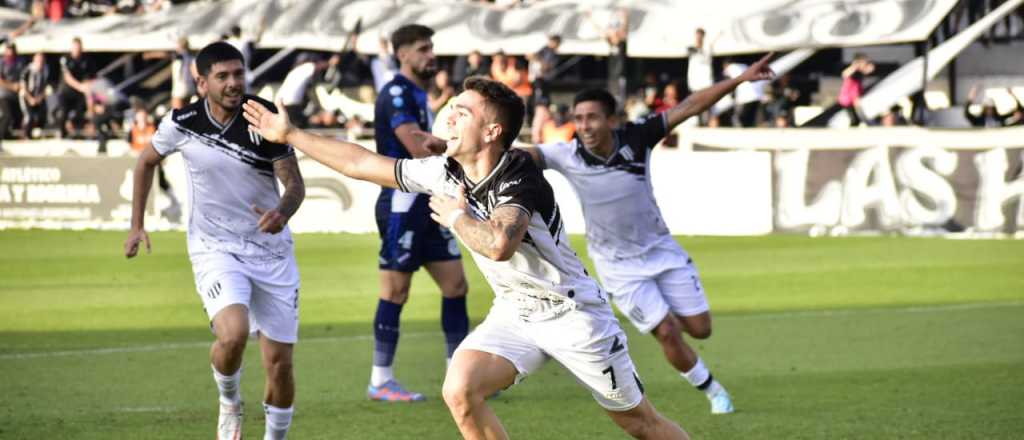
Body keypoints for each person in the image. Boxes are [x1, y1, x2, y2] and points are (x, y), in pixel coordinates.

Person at [245, 73, 692, 440]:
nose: (450, 115)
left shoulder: (521, 176)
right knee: (459, 390)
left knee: (640, 424)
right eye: (452, 106)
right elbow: (362, 164)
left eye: (464, 111)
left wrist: (458, 218)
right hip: (516, 314)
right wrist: (291, 134)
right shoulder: (445, 170)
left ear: (492, 131)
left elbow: (500, 244)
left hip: (573, 315)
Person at [518, 52, 776, 416]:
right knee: (667, 332)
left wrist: (738, 80)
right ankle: (715, 392)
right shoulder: (565, 154)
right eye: (578, 119)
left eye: (592, 117)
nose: (585, 126)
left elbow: (690, 105)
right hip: (618, 269)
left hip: (662, 252)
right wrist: (464, 151)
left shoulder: (638, 138)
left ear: (612, 119)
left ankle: (674, 320)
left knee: (700, 329)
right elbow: (521, 157)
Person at [123, 42, 305, 440]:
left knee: (279, 365)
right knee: (233, 332)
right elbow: (146, 162)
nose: (234, 83)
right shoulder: (182, 122)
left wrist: (283, 212)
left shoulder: (263, 117)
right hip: (215, 248)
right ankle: (229, 401)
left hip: (271, 252)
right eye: (222, 76)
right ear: (201, 81)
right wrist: (137, 224)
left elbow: (293, 182)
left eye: (239, 74)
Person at [366, 24, 470, 402]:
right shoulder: (396, 92)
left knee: (456, 285)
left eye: (432, 47)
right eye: (423, 49)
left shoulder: (416, 93)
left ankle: (457, 376)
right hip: (401, 205)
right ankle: (380, 380)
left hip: (428, 203)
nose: (431, 55)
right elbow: (417, 148)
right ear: (403, 54)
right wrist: (458, 149)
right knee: (395, 291)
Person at [56, 36, 94, 138]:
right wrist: (81, 87)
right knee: (63, 113)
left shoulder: (85, 60)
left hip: (78, 93)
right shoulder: (65, 59)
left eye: (78, 47)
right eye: (75, 47)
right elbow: (68, 78)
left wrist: (88, 93)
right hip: (65, 91)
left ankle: (77, 133)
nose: (77, 50)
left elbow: (88, 78)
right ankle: (61, 133)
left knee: (80, 113)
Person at [723, 58, 767, 127]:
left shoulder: (730, 68)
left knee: (737, 118)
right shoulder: (743, 66)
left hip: (744, 97)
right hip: (756, 95)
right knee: (752, 118)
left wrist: (732, 97)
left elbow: (729, 83)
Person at [838, 53, 874, 127]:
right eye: (864, 62)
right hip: (847, 98)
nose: (865, 63)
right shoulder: (854, 70)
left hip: (852, 97)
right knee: (854, 120)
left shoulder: (860, 72)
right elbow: (845, 74)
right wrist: (854, 66)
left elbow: (868, 70)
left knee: (856, 120)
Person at [18, 52, 46, 139]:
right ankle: (24, 135)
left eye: (42, 61)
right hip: (26, 96)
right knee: (28, 116)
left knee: (40, 116)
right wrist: (30, 99)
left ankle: (32, 134)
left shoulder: (45, 70)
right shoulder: (28, 70)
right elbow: (23, 86)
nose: (40, 63)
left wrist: (39, 98)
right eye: (38, 60)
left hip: (37, 97)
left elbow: (46, 87)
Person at [0, 42, 24, 139]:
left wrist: (20, 85)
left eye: (12, 50)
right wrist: (12, 86)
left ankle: (6, 134)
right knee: (7, 115)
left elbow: (23, 76)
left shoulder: (19, 62)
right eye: (8, 50)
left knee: (15, 117)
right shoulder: (1, 62)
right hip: (3, 94)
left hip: (15, 95)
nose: (10, 53)